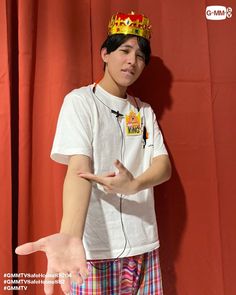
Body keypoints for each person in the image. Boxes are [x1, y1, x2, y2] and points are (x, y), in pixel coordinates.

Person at [15, 11, 171, 295]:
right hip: (95, 250)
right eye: (124, 50)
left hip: (144, 244)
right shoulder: (80, 102)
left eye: (140, 56)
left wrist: (134, 184)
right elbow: (79, 169)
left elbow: (163, 164)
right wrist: (71, 235)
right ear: (105, 54)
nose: (131, 61)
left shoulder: (144, 111)